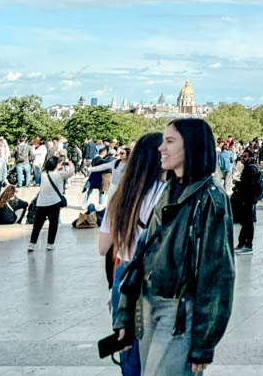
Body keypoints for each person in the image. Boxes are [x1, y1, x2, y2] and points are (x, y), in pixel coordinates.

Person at [112, 118, 234, 374]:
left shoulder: (211, 197)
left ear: (190, 147)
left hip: (178, 310)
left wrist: (204, 341)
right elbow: (143, 255)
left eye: (169, 141)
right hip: (147, 305)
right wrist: (125, 312)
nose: (161, 148)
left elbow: (218, 273)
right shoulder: (169, 190)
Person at [98, 132, 165, 376]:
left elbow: (103, 247)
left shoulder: (120, 197)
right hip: (157, 277)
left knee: (129, 352)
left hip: (125, 277)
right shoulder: (167, 194)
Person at [28, 155, 73, 252]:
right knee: (53, 224)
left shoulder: (44, 174)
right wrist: (70, 164)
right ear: (57, 165)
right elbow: (71, 173)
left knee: (37, 225)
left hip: (41, 203)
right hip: (54, 202)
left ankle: (32, 244)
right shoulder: (60, 174)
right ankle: (50, 244)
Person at [231, 148, 261, 255]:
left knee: (247, 222)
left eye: (245, 156)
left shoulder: (250, 169)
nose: (242, 158)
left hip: (247, 199)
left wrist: (236, 183)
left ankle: (248, 246)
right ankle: (242, 243)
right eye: (242, 156)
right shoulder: (249, 168)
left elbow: (248, 186)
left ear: (250, 158)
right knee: (245, 222)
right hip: (246, 199)